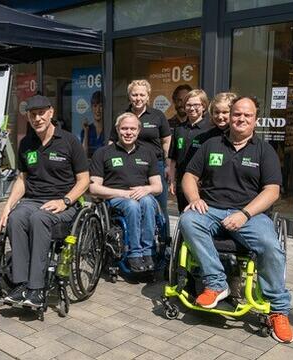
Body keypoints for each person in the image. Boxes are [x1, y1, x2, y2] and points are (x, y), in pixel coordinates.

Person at [179, 97, 293, 343]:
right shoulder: (210, 144)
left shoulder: (265, 150)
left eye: (247, 116)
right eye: (237, 114)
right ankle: (217, 283)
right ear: (230, 116)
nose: (241, 119)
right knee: (188, 221)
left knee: (271, 245)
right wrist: (194, 197)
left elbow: (272, 190)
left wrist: (244, 214)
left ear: (255, 121)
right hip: (211, 208)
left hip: (250, 214)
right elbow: (189, 175)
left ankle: (278, 310)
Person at [0, 95, 89, 307]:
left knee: (40, 218)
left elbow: (84, 180)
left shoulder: (69, 141)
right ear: (28, 117)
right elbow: (22, 179)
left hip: (63, 203)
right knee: (16, 217)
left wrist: (65, 201)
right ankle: (21, 285)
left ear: (51, 113)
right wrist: (7, 206)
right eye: (33, 114)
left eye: (41, 113)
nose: (37, 118)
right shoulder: (26, 143)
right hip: (33, 199)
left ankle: (36, 289)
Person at [90, 112, 162, 272]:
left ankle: (148, 251)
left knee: (149, 201)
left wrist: (146, 189)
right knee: (132, 205)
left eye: (132, 129)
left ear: (138, 131)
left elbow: (158, 187)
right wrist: (124, 194)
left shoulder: (148, 153)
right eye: (124, 129)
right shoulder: (103, 153)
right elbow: (94, 188)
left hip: (143, 197)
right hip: (116, 199)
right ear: (117, 129)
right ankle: (134, 253)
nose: (128, 132)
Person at [109, 80, 171, 240]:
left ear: (148, 96)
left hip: (154, 167)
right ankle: (132, 242)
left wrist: (168, 166)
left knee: (159, 207)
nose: (138, 98)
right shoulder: (121, 117)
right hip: (128, 166)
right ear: (129, 96)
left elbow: (166, 142)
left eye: (142, 94)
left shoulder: (158, 116)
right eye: (134, 94)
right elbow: (112, 142)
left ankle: (164, 246)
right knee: (134, 204)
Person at [168, 89, 214, 212]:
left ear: (204, 106)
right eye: (188, 105)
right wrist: (172, 180)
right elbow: (173, 158)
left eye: (196, 105)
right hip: (181, 183)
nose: (192, 108)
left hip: (202, 184)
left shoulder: (211, 130)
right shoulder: (179, 129)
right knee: (183, 213)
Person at [80, 90, 104, 157]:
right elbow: (83, 156)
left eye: (101, 106)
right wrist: (86, 132)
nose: (98, 110)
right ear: (91, 108)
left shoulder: (109, 129)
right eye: (95, 106)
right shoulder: (86, 130)